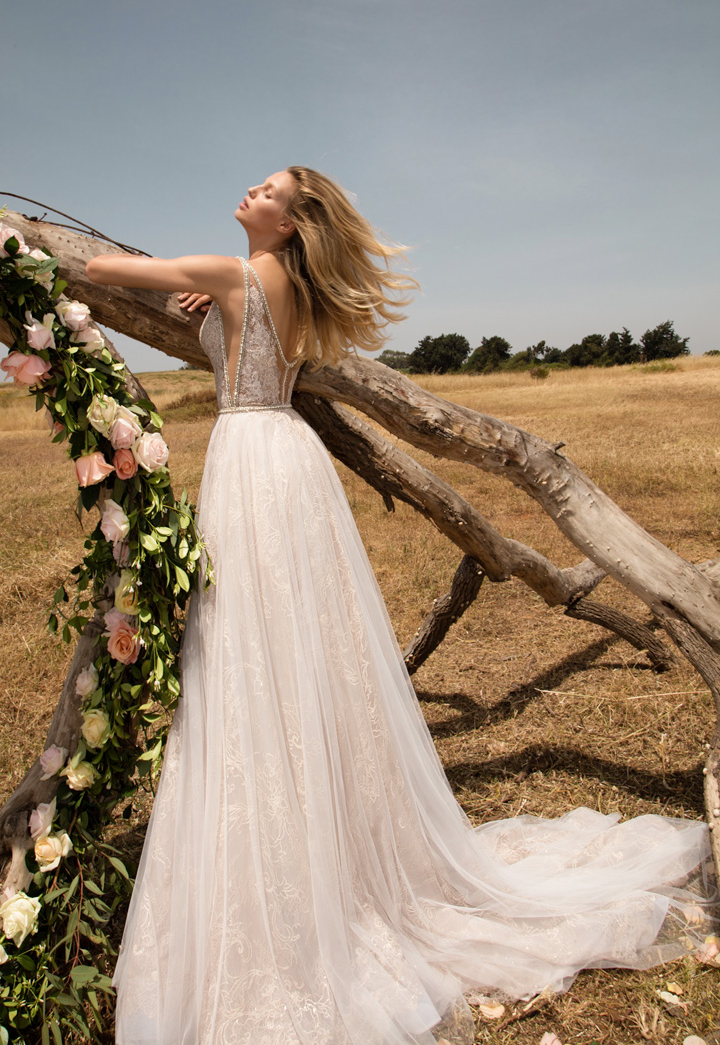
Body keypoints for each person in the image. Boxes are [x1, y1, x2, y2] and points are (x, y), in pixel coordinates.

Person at [86, 168, 713, 1045]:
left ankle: (287, 835)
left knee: (249, 643)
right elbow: (239, 321)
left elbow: (111, 271)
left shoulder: (238, 274)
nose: (249, 192)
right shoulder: (288, 289)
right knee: (292, 638)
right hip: (289, 460)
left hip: (251, 464)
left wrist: (30, 256)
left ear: (296, 219)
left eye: (266, 190)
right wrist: (216, 297)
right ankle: (316, 822)